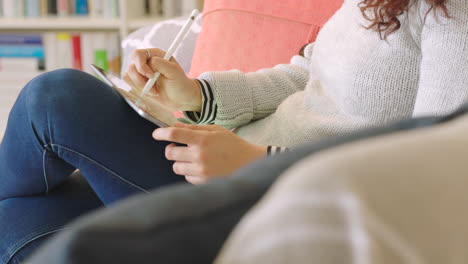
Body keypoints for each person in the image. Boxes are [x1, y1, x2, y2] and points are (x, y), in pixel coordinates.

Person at [1, 0, 467, 262]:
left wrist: (260, 162)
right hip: (226, 161)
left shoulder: (455, 14)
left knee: (56, 98)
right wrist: (197, 96)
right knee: (15, 222)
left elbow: (432, 157)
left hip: (268, 191)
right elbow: (305, 74)